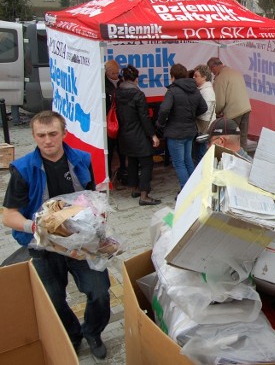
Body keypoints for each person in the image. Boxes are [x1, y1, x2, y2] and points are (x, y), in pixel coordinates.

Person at [2, 111, 110, 359]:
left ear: (63, 134)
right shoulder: (22, 169)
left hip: (80, 241)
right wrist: (36, 226)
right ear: (34, 136)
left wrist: (99, 220)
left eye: (52, 134)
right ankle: (72, 334)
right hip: (43, 244)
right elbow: (9, 215)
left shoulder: (82, 160)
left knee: (100, 292)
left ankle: (93, 331)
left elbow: (91, 198)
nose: (47, 140)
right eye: (41, 135)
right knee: (52, 299)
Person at [157, 63, 207, 191]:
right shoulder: (194, 89)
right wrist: (191, 115)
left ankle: (186, 191)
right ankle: (196, 188)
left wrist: (160, 123)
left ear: (173, 76)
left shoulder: (172, 91)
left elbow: (163, 110)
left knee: (179, 163)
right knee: (188, 160)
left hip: (175, 133)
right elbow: (204, 107)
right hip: (190, 130)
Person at [116, 65, 161, 206]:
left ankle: (134, 189)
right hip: (139, 133)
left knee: (133, 162)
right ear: (136, 79)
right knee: (147, 163)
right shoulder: (138, 94)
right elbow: (144, 117)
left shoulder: (118, 93)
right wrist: (153, 135)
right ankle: (144, 195)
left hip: (124, 133)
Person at [207, 57, 252, 150]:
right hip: (246, 108)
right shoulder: (235, 72)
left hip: (233, 112)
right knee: (242, 139)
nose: (212, 73)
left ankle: (234, 160)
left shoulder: (220, 78)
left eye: (211, 70)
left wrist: (215, 113)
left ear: (214, 67)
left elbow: (219, 102)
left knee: (231, 141)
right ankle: (245, 160)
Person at [104, 59, 127, 183]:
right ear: (107, 72)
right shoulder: (102, 83)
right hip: (109, 122)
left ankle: (123, 171)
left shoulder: (121, 82)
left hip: (121, 120)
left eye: (117, 72)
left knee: (122, 149)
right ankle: (108, 174)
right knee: (110, 149)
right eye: (113, 73)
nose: (116, 75)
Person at [193, 64, 216, 164]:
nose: (193, 77)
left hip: (204, 125)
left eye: (196, 75)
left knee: (201, 153)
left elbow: (204, 110)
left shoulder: (207, 91)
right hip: (204, 124)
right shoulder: (203, 90)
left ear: (204, 77)